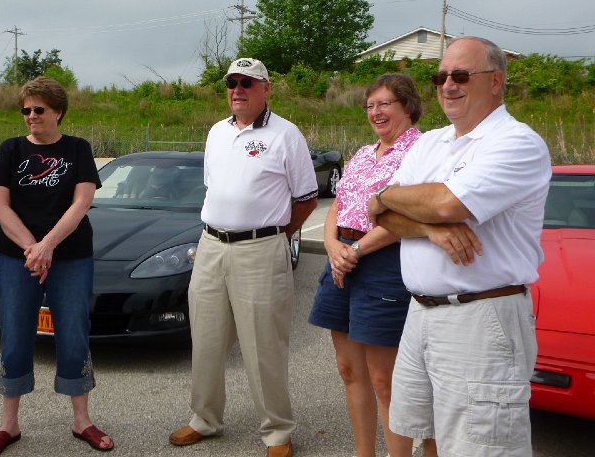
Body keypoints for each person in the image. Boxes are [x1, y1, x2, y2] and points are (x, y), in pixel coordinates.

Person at [367, 37, 551, 456]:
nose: (448, 85)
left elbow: (448, 202)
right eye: (441, 76)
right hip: (422, 313)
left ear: (496, 82)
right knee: (425, 435)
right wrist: (428, 226)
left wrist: (392, 195)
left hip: (480, 318)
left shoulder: (516, 143)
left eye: (461, 75)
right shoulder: (431, 142)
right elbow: (379, 212)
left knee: (480, 447)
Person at [169, 58, 318, 457]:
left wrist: (275, 236)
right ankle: (205, 419)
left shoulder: (286, 135)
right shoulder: (217, 132)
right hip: (211, 246)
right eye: (232, 82)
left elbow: (306, 199)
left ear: (266, 88)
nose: (237, 89)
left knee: (263, 345)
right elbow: (213, 189)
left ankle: (277, 432)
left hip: (260, 249)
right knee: (206, 340)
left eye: (247, 83)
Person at [0, 76, 113, 456]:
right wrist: (32, 249)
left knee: (73, 333)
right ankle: (9, 425)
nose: (31, 116)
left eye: (39, 109)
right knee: (16, 335)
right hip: (16, 257)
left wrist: (48, 245)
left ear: (58, 112)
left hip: (70, 257)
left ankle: (82, 420)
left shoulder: (77, 149)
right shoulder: (10, 150)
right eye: (26, 110)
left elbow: (81, 202)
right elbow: (0, 206)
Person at [308, 74, 421, 457]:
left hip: (383, 261)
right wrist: (332, 246)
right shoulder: (362, 153)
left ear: (407, 106)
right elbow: (337, 205)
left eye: (385, 103)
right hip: (342, 254)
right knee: (349, 369)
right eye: (371, 105)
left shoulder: (419, 152)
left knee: (383, 379)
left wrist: (353, 252)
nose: (376, 112)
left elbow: (403, 218)